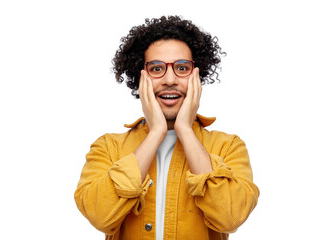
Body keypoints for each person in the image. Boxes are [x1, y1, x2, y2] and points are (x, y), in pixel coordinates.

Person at [74, 15, 259, 240]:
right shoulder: (107, 147)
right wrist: (156, 133)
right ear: (139, 77)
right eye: (156, 68)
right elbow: (100, 216)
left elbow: (230, 217)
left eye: (182, 67)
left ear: (197, 76)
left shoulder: (228, 147)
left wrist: (185, 129)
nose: (170, 79)